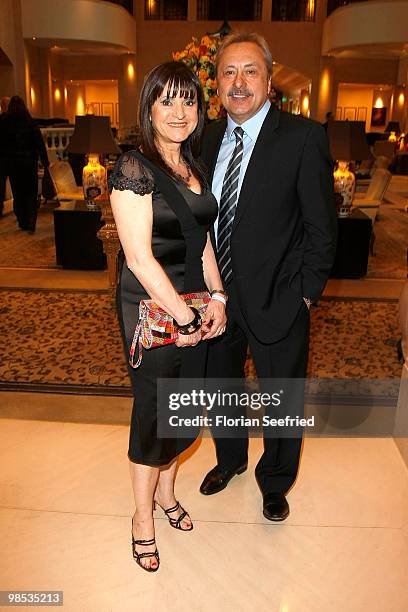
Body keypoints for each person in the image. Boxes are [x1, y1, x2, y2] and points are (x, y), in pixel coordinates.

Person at [199, 33, 337, 521]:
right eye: (228, 73)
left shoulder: (302, 137)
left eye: (249, 71)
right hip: (216, 298)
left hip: (281, 296)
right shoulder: (205, 137)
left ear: (269, 80)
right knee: (220, 388)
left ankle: (275, 480)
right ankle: (230, 459)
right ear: (216, 83)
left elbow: (323, 225)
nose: (238, 83)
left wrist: (306, 293)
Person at [109, 61, 226, 572]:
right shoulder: (132, 169)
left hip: (192, 305)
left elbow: (202, 243)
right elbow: (138, 257)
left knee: (185, 410)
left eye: (189, 101)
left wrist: (217, 298)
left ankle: (167, 494)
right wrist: (182, 318)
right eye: (167, 100)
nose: (179, 112)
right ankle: (141, 518)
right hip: (152, 310)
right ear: (149, 107)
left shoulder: (194, 166)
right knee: (156, 416)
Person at [0, 95, 49, 231]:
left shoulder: (4, 122)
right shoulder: (30, 122)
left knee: (18, 193)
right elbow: (39, 144)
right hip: (29, 163)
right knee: (30, 192)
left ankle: (22, 220)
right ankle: (31, 217)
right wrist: (45, 161)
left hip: (12, 164)